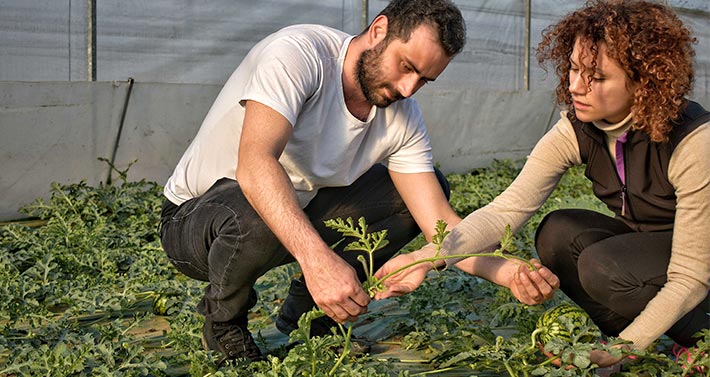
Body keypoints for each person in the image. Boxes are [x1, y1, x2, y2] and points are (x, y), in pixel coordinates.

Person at [159, 0, 557, 365]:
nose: (407, 89)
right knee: (256, 208)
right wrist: (318, 262)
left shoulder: (402, 116)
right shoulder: (299, 55)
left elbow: (440, 223)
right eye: (406, 66)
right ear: (379, 30)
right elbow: (254, 165)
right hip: (196, 221)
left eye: (423, 80)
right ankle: (224, 323)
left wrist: (506, 272)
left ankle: (313, 315)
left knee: (412, 198)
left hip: (290, 214)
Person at [374, 0, 709, 370]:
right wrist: (426, 258)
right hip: (650, 256)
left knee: (603, 264)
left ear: (644, 80)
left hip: (698, 266)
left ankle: (695, 341)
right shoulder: (578, 128)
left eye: (596, 78)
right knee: (557, 233)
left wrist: (623, 350)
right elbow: (506, 210)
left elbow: (691, 275)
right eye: (574, 69)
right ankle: (626, 337)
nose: (576, 86)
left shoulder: (693, 141)